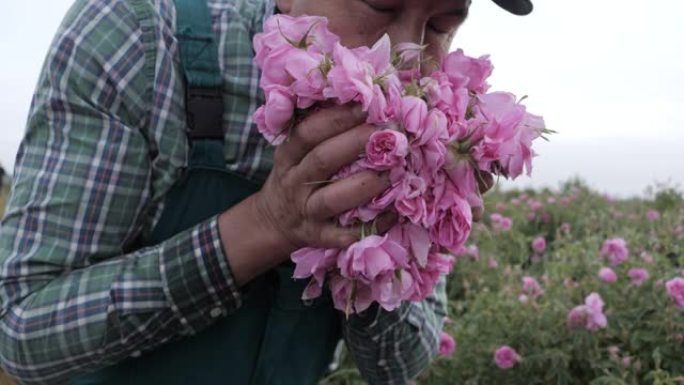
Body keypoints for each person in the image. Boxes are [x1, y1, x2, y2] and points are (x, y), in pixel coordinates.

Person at [0, 0, 532, 384]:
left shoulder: (435, 131)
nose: (408, 61)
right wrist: (266, 227)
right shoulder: (136, 41)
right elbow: (20, 329)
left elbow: (399, 367)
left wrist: (382, 245)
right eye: (380, 4)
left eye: (441, 23)